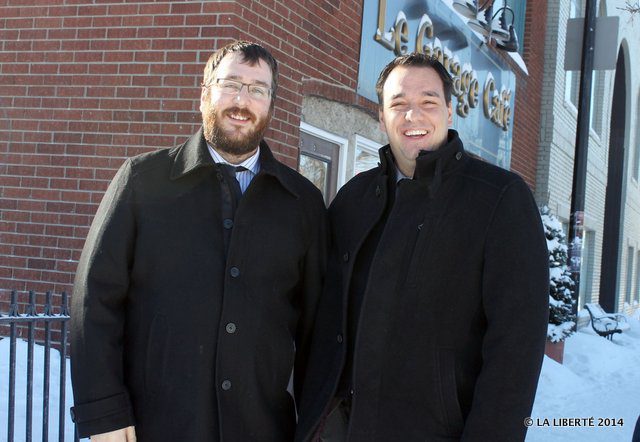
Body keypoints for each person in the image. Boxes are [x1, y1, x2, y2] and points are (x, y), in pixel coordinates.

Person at [70, 41, 327, 441]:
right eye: (231, 85)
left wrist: (313, 429)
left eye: (258, 89)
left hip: (262, 429)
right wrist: (103, 414)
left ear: (271, 104)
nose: (243, 100)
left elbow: (316, 331)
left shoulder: (303, 204)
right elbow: (94, 301)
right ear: (204, 93)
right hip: (154, 426)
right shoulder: (142, 181)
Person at [295, 53, 549, 441]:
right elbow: (324, 316)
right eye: (398, 105)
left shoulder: (500, 199)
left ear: (449, 110)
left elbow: (515, 350)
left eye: (428, 102)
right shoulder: (353, 199)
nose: (413, 115)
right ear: (381, 118)